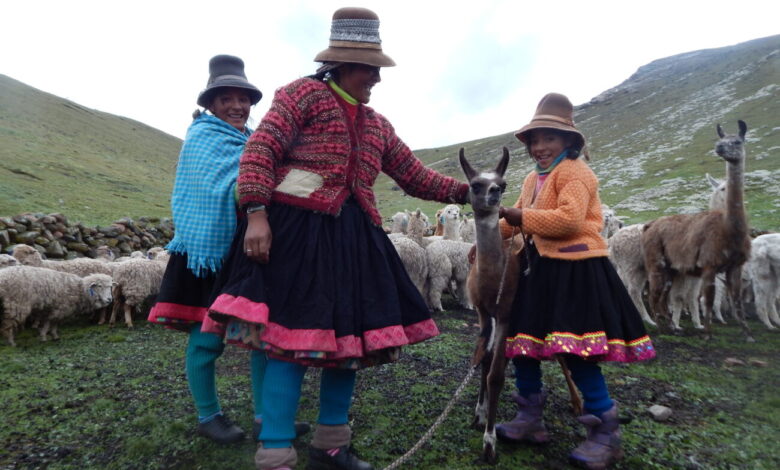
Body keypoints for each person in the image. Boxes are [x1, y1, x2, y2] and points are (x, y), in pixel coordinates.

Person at [206, 7, 469, 470]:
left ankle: (330, 444)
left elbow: (413, 176)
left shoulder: (377, 124)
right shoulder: (301, 96)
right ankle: (275, 452)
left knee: (350, 348)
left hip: (353, 241)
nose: (376, 79)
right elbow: (260, 149)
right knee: (286, 346)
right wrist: (256, 214)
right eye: (370, 69)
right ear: (341, 64)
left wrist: (470, 192)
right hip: (295, 237)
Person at [495, 93, 656, 470]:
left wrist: (517, 216)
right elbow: (518, 219)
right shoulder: (532, 178)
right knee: (522, 345)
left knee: (577, 352)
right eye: (535, 140)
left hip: (576, 270)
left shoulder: (577, 173)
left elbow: (567, 220)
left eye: (549, 138)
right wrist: (490, 237)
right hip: (540, 270)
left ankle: (606, 434)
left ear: (569, 141)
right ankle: (529, 419)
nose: (540, 147)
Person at [146, 54, 266, 444]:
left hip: (248, 250)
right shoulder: (201, 138)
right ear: (210, 104)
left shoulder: (254, 140)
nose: (237, 106)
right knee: (206, 337)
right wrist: (257, 185)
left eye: (243, 98)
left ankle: (268, 415)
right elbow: (223, 187)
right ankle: (208, 415)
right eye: (226, 98)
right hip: (207, 253)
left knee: (261, 335)